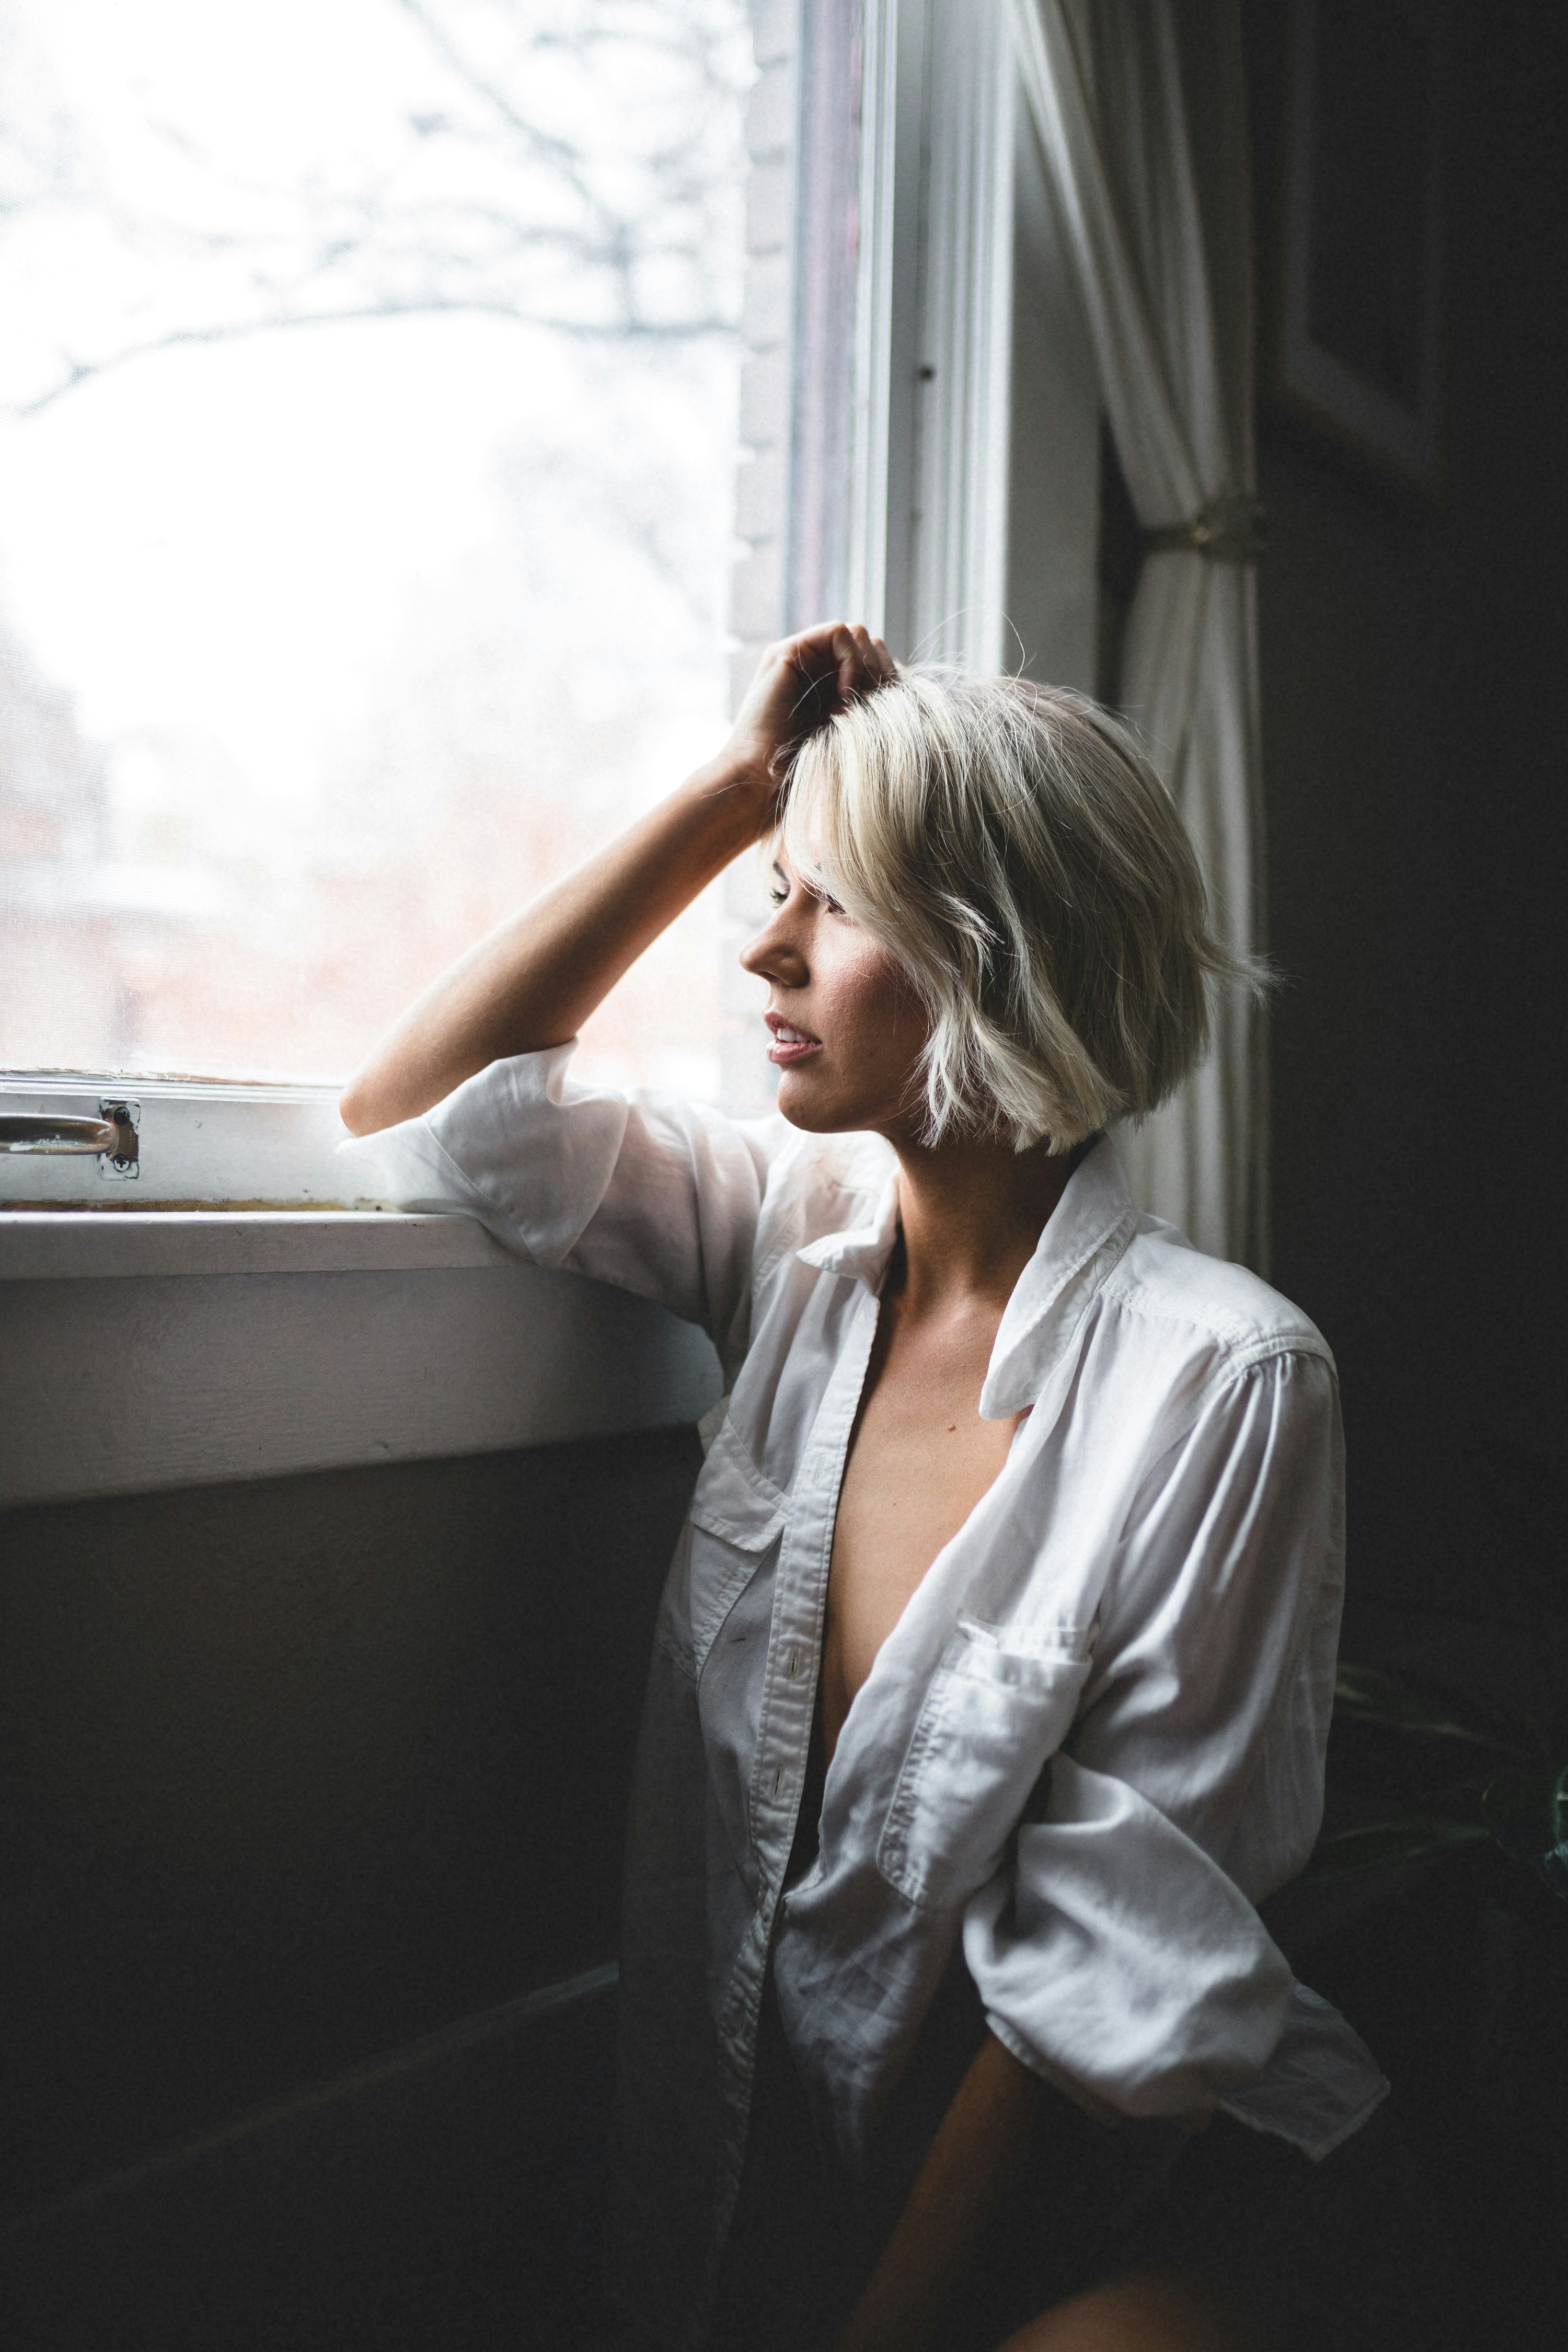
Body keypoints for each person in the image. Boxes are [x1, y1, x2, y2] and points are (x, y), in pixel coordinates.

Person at [339, 624, 1391, 2352]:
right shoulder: (786, 1241)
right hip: (800, 2204)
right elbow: (423, 1117)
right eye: (779, 890)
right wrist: (728, 791)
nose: (764, 947)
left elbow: (1090, 2014)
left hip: (1133, 2190)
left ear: (1001, 949)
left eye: (829, 906)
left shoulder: (1227, 1381)